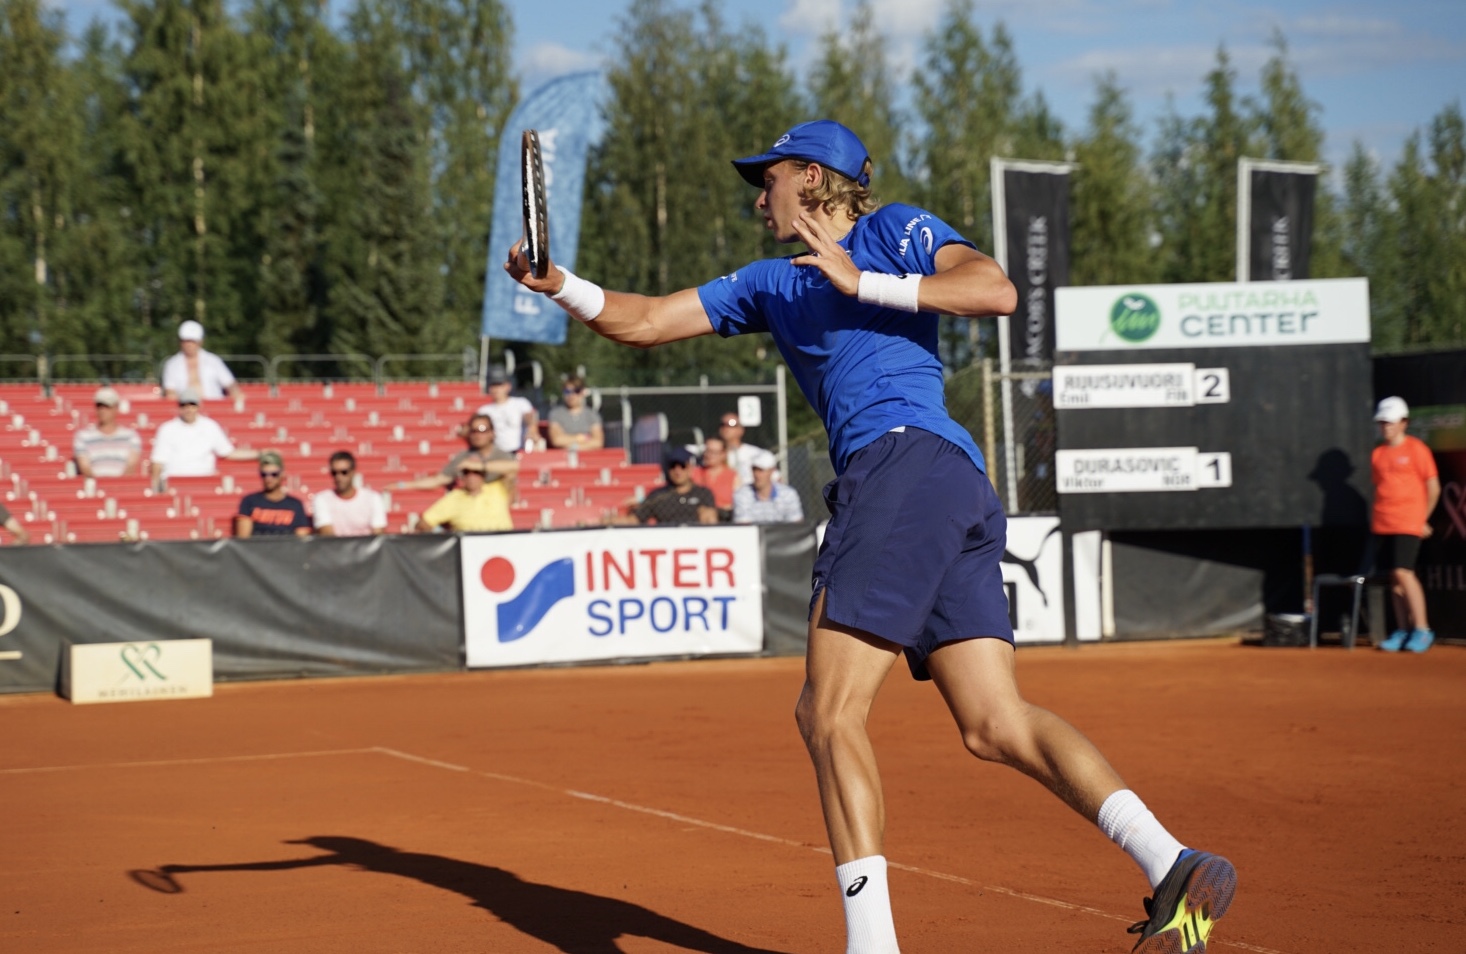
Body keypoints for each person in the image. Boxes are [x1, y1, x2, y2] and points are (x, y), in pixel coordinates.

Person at [506, 118, 1235, 954]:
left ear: (815, 179)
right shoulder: (769, 283)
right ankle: (1171, 860)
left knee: (829, 712)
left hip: (903, 467)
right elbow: (641, 321)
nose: (759, 194)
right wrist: (558, 283)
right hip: (946, 485)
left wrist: (867, 282)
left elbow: (994, 290)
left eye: (770, 177)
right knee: (993, 723)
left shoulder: (892, 231)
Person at [1370, 396, 1441, 652]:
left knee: (1403, 572)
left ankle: (1422, 629)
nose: (1385, 427)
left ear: (1403, 423)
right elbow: (1381, 487)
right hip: (1384, 522)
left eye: (1389, 422)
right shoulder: (1377, 454)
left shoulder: (1417, 450)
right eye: (1381, 422)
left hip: (1409, 521)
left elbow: (1433, 488)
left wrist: (1422, 518)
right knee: (1394, 577)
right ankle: (1401, 630)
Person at [150, 388, 259, 488]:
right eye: (184, 405)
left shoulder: (210, 426)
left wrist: (260, 454)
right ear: (179, 407)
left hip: (205, 481)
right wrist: (155, 488)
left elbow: (228, 452)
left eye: (192, 405)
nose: (188, 409)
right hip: (174, 481)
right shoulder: (167, 429)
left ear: (198, 406)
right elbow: (158, 461)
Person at [390, 414, 519, 496]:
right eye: (473, 431)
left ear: (492, 433)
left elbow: (513, 467)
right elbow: (439, 479)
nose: (478, 434)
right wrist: (402, 485)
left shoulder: (501, 455)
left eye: (482, 430)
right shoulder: (463, 457)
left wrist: (477, 466)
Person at [609, 447, 718, 526]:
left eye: (682, 466)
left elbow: (710, 519)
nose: (677, 471)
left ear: (690, 469)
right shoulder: (658, 496)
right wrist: (607, 521)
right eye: (673, 466)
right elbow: (634, 520)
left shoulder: (703, 493)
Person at [415, 455, 513, 533]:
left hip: (503, 546)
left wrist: (479, 465)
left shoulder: (497, 489)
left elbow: (513, 468)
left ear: (483, 475)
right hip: (471, 550)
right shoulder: (454, 498)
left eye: (476, 472)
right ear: (462, 477)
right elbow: (423, 524)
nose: (471, 476)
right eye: (466, 472)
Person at [162, 320, 243, 403]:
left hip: (214, 407)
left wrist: (235, 395)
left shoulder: (214, 361)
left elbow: (230, 383)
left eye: (192, 341)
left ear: (200, 342)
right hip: (186, 410)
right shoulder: (172, 365)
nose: (189, 345)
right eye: (186, 341)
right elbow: (170, 392)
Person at [235, 450, 311, 537]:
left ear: (282, 475)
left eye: (274, 474)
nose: (268, 478)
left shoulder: (295, 504)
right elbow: (243, 541)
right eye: (264, 474)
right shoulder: (249, 501)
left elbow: (302, 541)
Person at [312, 451, 387, 537]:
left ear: (353, 472)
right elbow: (328, 537)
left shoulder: (373, 498)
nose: (338, 477)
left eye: (344, 472)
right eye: (334, 473)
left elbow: (378, 535)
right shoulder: (322, 499)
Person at [73, 387, 143, 478]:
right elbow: (85, 468)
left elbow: (130, 467)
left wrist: (116, 486)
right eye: (99, 406)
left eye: (107, 406)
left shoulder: (131, 436)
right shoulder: (83, 437)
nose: (102, 410)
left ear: (116, 408)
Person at [476, 366, 539, 453]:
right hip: (495, 454)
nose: (496, 389)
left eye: (499, 385)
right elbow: (479, 428)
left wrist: (532, 428)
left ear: (508, 386)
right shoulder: (484, 410)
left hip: (518, 452)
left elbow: (529, 416)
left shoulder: (521, 403)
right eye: (493, 385)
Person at [733, 450, 804, 524]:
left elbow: (796, 526)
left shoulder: (788, 494)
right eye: (754, 469)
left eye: (761, 470)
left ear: (772, 471)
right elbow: (744, 528)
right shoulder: (742, 495)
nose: (757, 474)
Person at [547, 376, 605, 450]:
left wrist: (573, 446)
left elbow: (598, 442)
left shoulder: (592, 415)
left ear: (583, 392)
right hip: (562, 458)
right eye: (567, 391)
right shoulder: (555, 414)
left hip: (589, 458)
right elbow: (557, 440)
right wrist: (582, 438)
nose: (571, 395)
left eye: (576, 391)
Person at [694, 436, 740, 521]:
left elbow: (738, 503)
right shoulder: (694, 473)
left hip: (725, 518)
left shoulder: (732, 476)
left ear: (723, 454)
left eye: (714, 452)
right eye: (707, 451)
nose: (709, 455)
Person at [718, 413, 768, 486]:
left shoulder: (756, 454)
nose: (725, 428)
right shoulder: (711, 454)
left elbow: (775, 479)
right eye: (722, 424)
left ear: (741, 430)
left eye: (731, 424)